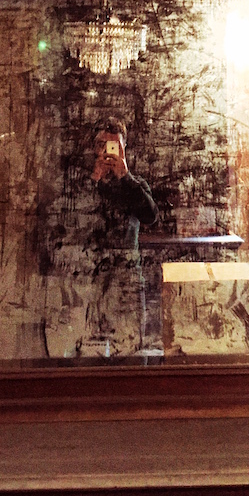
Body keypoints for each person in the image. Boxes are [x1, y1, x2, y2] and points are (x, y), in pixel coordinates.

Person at [84, 117, 158, 356]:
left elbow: (150, 216)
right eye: (103, 146)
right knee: (87, 355)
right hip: (88, 280)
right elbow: (72, 222)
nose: (108, 153)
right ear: (94, 148)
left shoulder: (135, 185)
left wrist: (125, 176)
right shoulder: (83, 185)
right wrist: (94, 179)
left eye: (114, 147)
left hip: (127, 281)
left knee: (131, 353)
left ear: (123, 149)